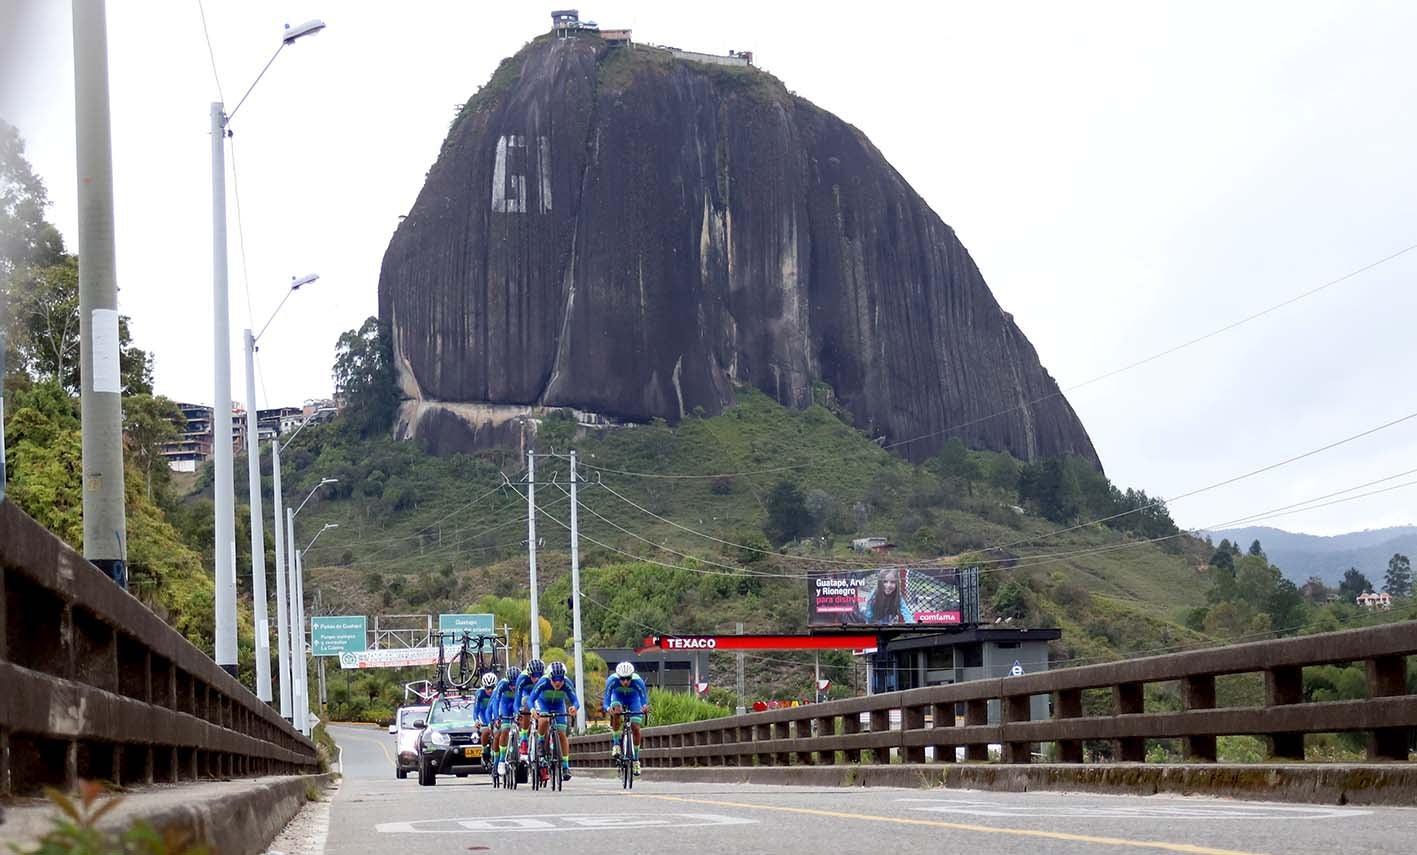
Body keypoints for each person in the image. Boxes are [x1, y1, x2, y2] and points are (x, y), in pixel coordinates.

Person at [527, 660, 580, 780]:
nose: (558, 682)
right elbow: (531, 700)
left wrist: (574, 707)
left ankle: (566, 767)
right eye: (555, 679)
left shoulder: (567, 683)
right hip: (542, 703)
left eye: (560, 679)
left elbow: (575, 701)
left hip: (558, 705)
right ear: (550, 677)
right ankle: (540, 742)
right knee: (544, 720)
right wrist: (532, 710)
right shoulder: (543, 681)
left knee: (562, 734)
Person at [603, 661, 649, 776]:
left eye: (628, 679)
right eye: (622, 679)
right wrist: (608, 708)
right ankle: (616, 744)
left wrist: (644, 707)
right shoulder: (611, 681)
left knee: (636, 728)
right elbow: (606, 701)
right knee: (617, 711)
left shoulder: (638, 681)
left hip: (634, 699)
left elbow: (644, 699)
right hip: (618, 697)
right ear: (618, 677)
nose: (625, 682)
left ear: (631, 676)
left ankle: (636, 759)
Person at [489, 666, 522, 778]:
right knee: (505, 729)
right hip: (505, 706)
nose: (513, 687)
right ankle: (501, 760)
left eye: (515, 684)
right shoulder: (502, 684)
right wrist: (497, 717)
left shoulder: (522, 683)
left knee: (524, 722)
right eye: (511, 684)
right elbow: (495, 702)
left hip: (516, 705)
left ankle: (523, 747)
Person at [472, 671, 499, 768]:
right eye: (487, 688)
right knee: (486, 731)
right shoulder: (479, 693)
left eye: (492, 688)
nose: (490, 691)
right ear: (483, 687)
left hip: (495, 714)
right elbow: (476, 710)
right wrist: (476, 720)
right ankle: (484, 751)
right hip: (483, 716)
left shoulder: (497, 692)